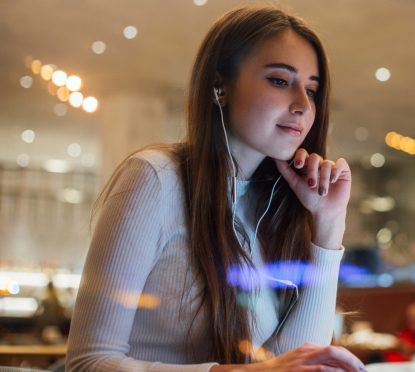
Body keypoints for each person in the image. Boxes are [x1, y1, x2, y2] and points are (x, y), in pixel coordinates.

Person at [66, 6, 364, 372]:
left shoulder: (272, 206)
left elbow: (297, 360)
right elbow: (87, 362)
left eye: (312, 90)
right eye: (280, 81)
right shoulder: (155, 179)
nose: (303, 105)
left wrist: (329, 225)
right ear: (220, 86)